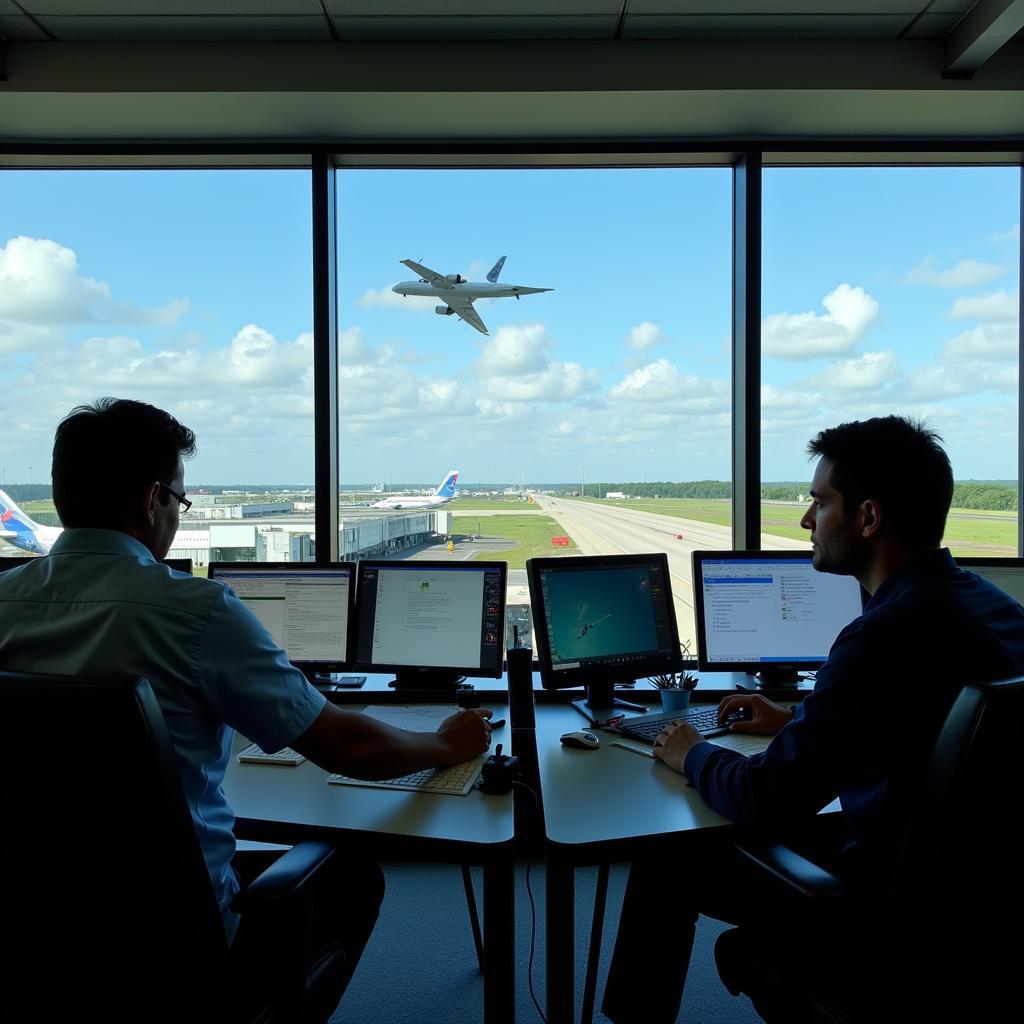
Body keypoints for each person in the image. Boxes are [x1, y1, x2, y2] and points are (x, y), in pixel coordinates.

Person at [0, 398, 493, 1012]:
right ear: (151, 500)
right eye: (179, 502)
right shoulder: (195, 610)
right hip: (178, 944)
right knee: (351, 875)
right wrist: (446, 744)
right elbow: (346, 747)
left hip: (31, 931)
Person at [602, 415, 1024, 1024]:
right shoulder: (997, 610)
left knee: (671, 855)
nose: (805, 521)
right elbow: (928, 722)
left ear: (869, 518)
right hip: (982, 911)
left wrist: (690, 750)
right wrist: (798, 719)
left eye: (819, 503)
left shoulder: (879, 637)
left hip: (885, 914)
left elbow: (765, 798)